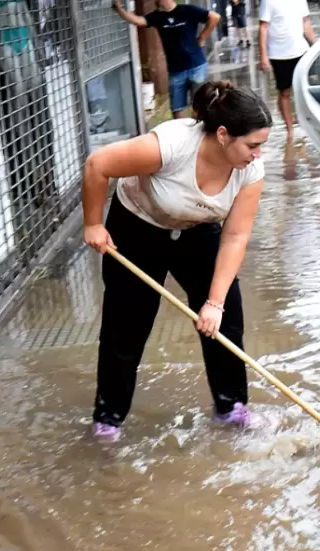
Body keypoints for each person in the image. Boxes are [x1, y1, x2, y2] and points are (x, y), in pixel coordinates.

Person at [81, 81, 273, 442]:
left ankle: (231, 407)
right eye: (252, 145)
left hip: (198, 230)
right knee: (127, 326)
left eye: (261, 145)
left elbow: (235, 236)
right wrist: (93, 223)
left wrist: (213, 303)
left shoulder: (250, 171)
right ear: (222, 135)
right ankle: (108, 419)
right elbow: (98, 164)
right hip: (138, 227)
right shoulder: (170, 146)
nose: (257, 155)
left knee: (226, 320)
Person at [112, 0, 220, 118]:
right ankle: (182, 135)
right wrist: (120, 10)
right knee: (177, 108)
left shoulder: (187, 10)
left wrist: (203, 37)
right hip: (175, 70)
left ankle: (200, 133)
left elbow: (214, 17)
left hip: (196, 66)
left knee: (201, 106)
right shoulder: (157, 17)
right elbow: (137, 21)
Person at [258, 0, 317, 141]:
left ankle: (303, 121)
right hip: (279, 54)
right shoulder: (269, 2)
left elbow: (306, 22)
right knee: (284, 92)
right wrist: (263, 56)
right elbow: (263, 28)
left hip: (301, 50)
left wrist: (316, 44)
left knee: (307, 87)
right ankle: (290, 129)